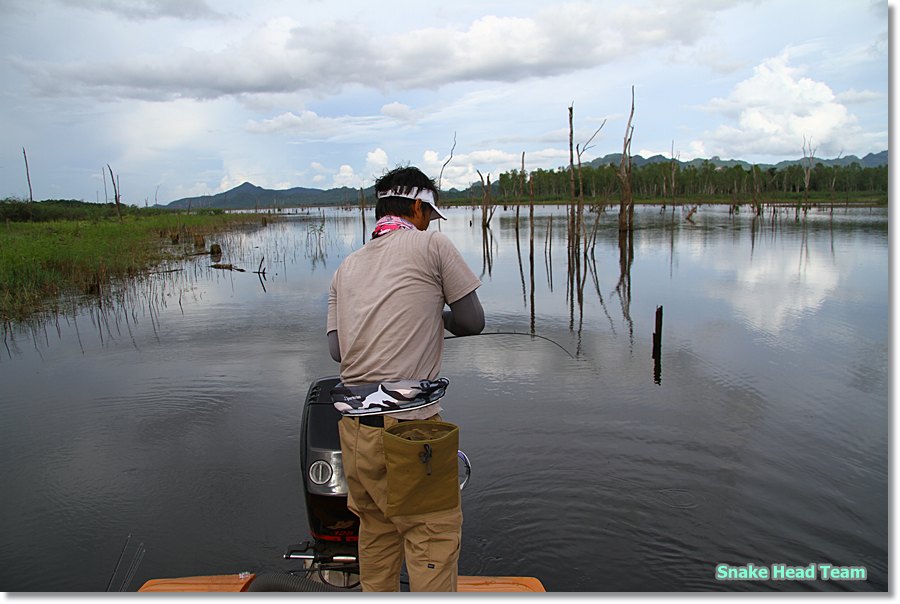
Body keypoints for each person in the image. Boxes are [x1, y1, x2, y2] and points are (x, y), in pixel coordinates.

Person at [326, 165, 484, 592]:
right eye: (429, 213)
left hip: (354, 433)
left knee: (376, 533)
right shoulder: (432, 247)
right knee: (431, 538)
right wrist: (437, 313)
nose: (430, 222)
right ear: (417, 206)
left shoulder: (346, 267)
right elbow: (472, 321)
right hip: (410, 434)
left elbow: (338, 351)